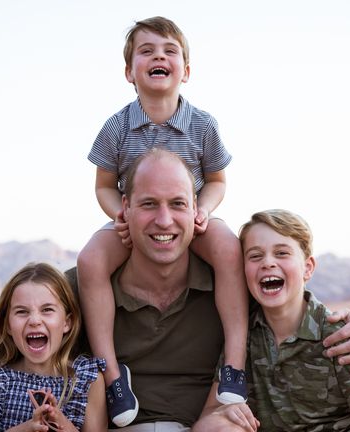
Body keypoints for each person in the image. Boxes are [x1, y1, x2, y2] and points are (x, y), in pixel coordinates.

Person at [68, 148, 350, 431]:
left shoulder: (231, 286)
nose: (164, 221)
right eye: (149, 204)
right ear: (126, 207)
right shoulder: (82, 288)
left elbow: (291, 310)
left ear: (196, 210)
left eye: (177, 204)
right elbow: (27, 327)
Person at [77, 16, 249, 427]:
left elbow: (218, 180)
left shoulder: (202, 124)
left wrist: (203, 209)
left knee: (228, 247)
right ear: (129, 71)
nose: (159, 56)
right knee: (90, 261)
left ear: (185, 71)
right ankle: (114, 376)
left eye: (170, 51)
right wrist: (116, 213)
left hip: (191, 217)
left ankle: (235, 364)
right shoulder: (117, 126)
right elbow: (103, 185)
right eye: (147, 51)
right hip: (134, 220)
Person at [233, 209, 350, 431]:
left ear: (308, 268)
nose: (268, 263)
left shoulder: (340, 336)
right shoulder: (241, 335)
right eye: (255, 256)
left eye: (282, 253)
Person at [0, 262, 108, 432]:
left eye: (47, 310)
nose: (35, 321)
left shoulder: (86, 379)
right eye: (22, 312)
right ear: (8, 325)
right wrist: (23, 429)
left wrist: (59, 422)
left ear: (67, 323)